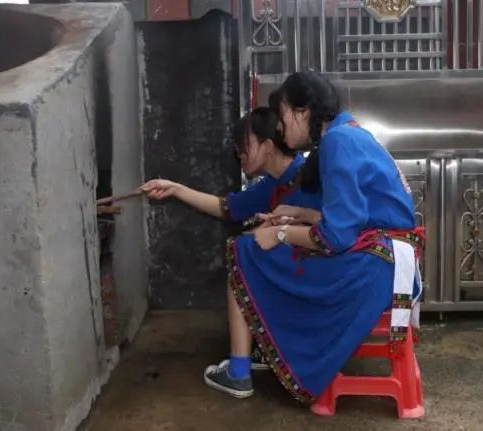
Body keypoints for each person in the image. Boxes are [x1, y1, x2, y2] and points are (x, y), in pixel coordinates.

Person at [198, 71, 422, 402]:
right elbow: (356, 219)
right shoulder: (349, 133)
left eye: (283, 115)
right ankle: (260, 354)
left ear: (302, 112)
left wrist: (282, 233)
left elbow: (334, 238)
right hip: (383, 259)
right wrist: (300, 214)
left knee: (243, 249)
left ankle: (241, 370)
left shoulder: (337, 142)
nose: (280, 126)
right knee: (256, 249)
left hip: (371, 268)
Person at [140, 106, 323, 372]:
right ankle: (266, 348)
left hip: (321, 269)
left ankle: (239, 369)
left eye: (244, 144)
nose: (239, 152)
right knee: (249, 248)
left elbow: (326, 229)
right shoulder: (275, 183)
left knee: (242, 253)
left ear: (268, 146)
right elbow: (227, 207)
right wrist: (175, 189)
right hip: (306, 264)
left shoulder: (307, 177)